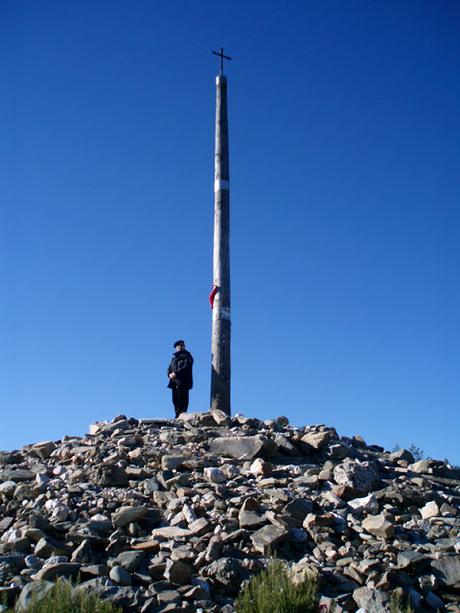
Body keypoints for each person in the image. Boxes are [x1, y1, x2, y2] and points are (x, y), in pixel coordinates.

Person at [167, 340, 194, 418]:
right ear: (176, 348)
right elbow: (169, 368)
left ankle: (182, 415)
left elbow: (186, 367)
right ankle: (177, 415)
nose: (179, 347)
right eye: (178, 346)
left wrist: (176, 373)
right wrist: (169, 374)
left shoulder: (187, 356)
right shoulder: (174, 358)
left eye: (181, 345)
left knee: (183, 399)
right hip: (174, 382)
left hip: (183, 382)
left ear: (184, 346)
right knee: (175, 400)